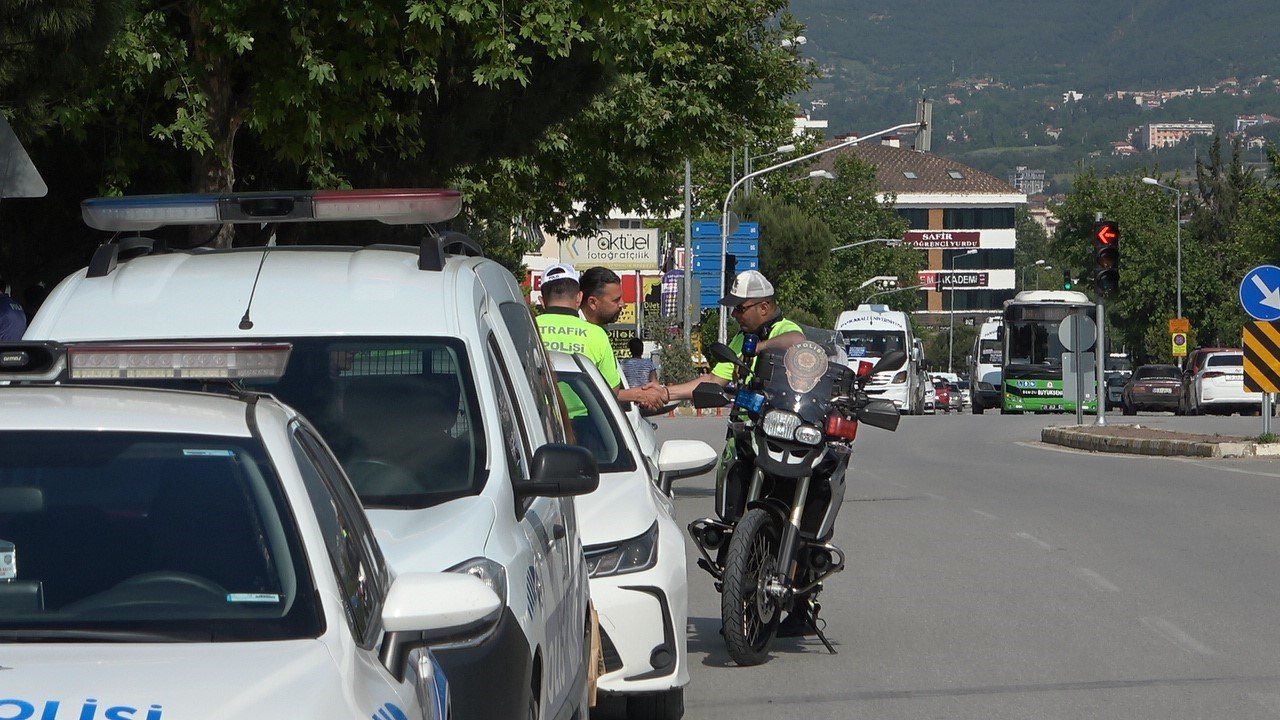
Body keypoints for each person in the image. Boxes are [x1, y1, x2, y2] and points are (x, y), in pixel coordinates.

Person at [535, 262, 665, 410]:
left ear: (543, 301)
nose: (622, 304)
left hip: (537, 423)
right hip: (587, 425)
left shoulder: (528, 328)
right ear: (585, 299)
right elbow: (611, 392)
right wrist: (638, 394)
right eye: (616, 300)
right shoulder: (596, 335)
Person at [663, 269, 805, 400]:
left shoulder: (783, 328)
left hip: (776, 422)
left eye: (740, 308)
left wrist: (759, 347)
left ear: (763, 308)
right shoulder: (742, 337)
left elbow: (798, 342)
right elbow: (714, 380)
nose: (734, 314)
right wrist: (665, 393)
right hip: (745, 422)